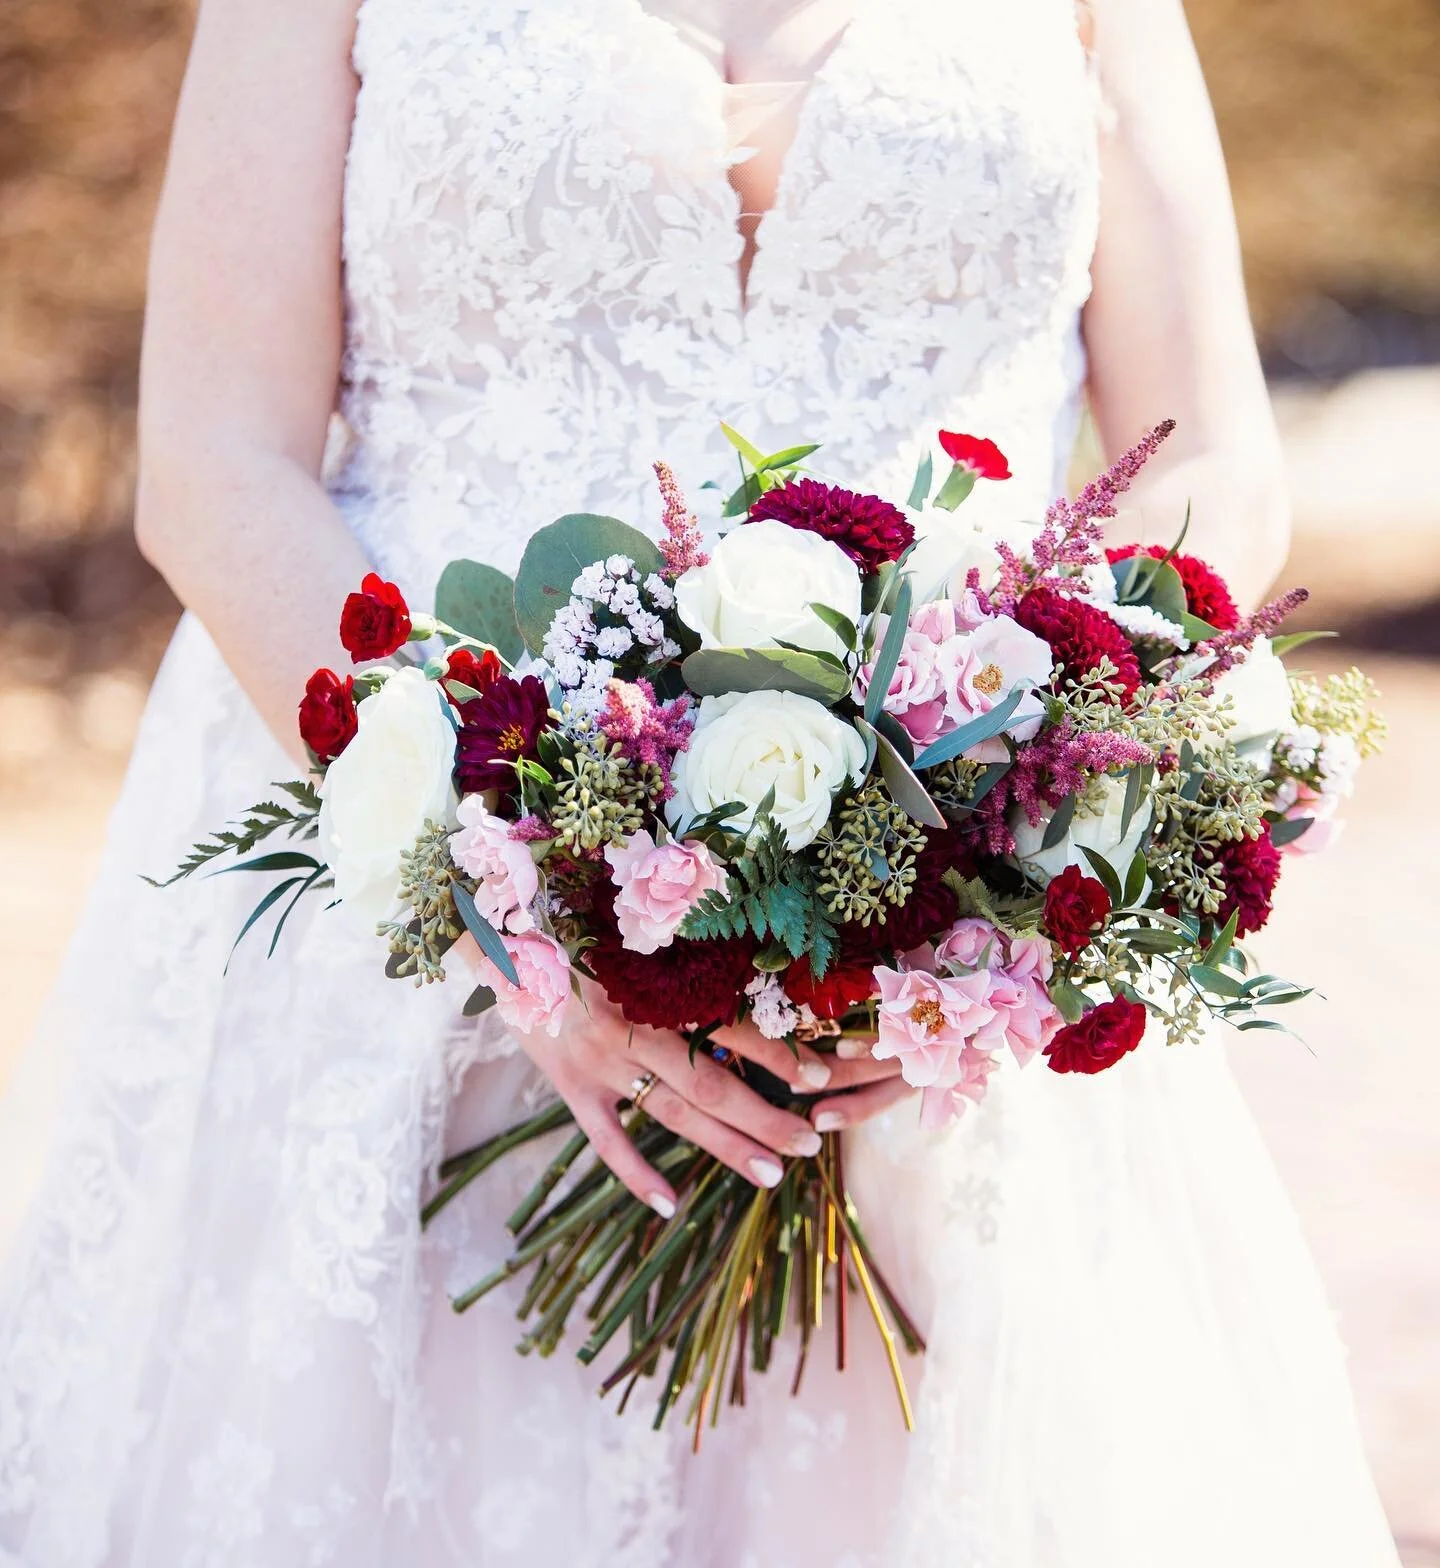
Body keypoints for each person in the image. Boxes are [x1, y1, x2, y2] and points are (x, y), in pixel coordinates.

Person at [0, 0, 1402, 1562]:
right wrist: (504, 897)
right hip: (396, 919)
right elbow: (212, 455)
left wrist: (1022, 824)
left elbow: (1211, 448)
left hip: (948, 923)